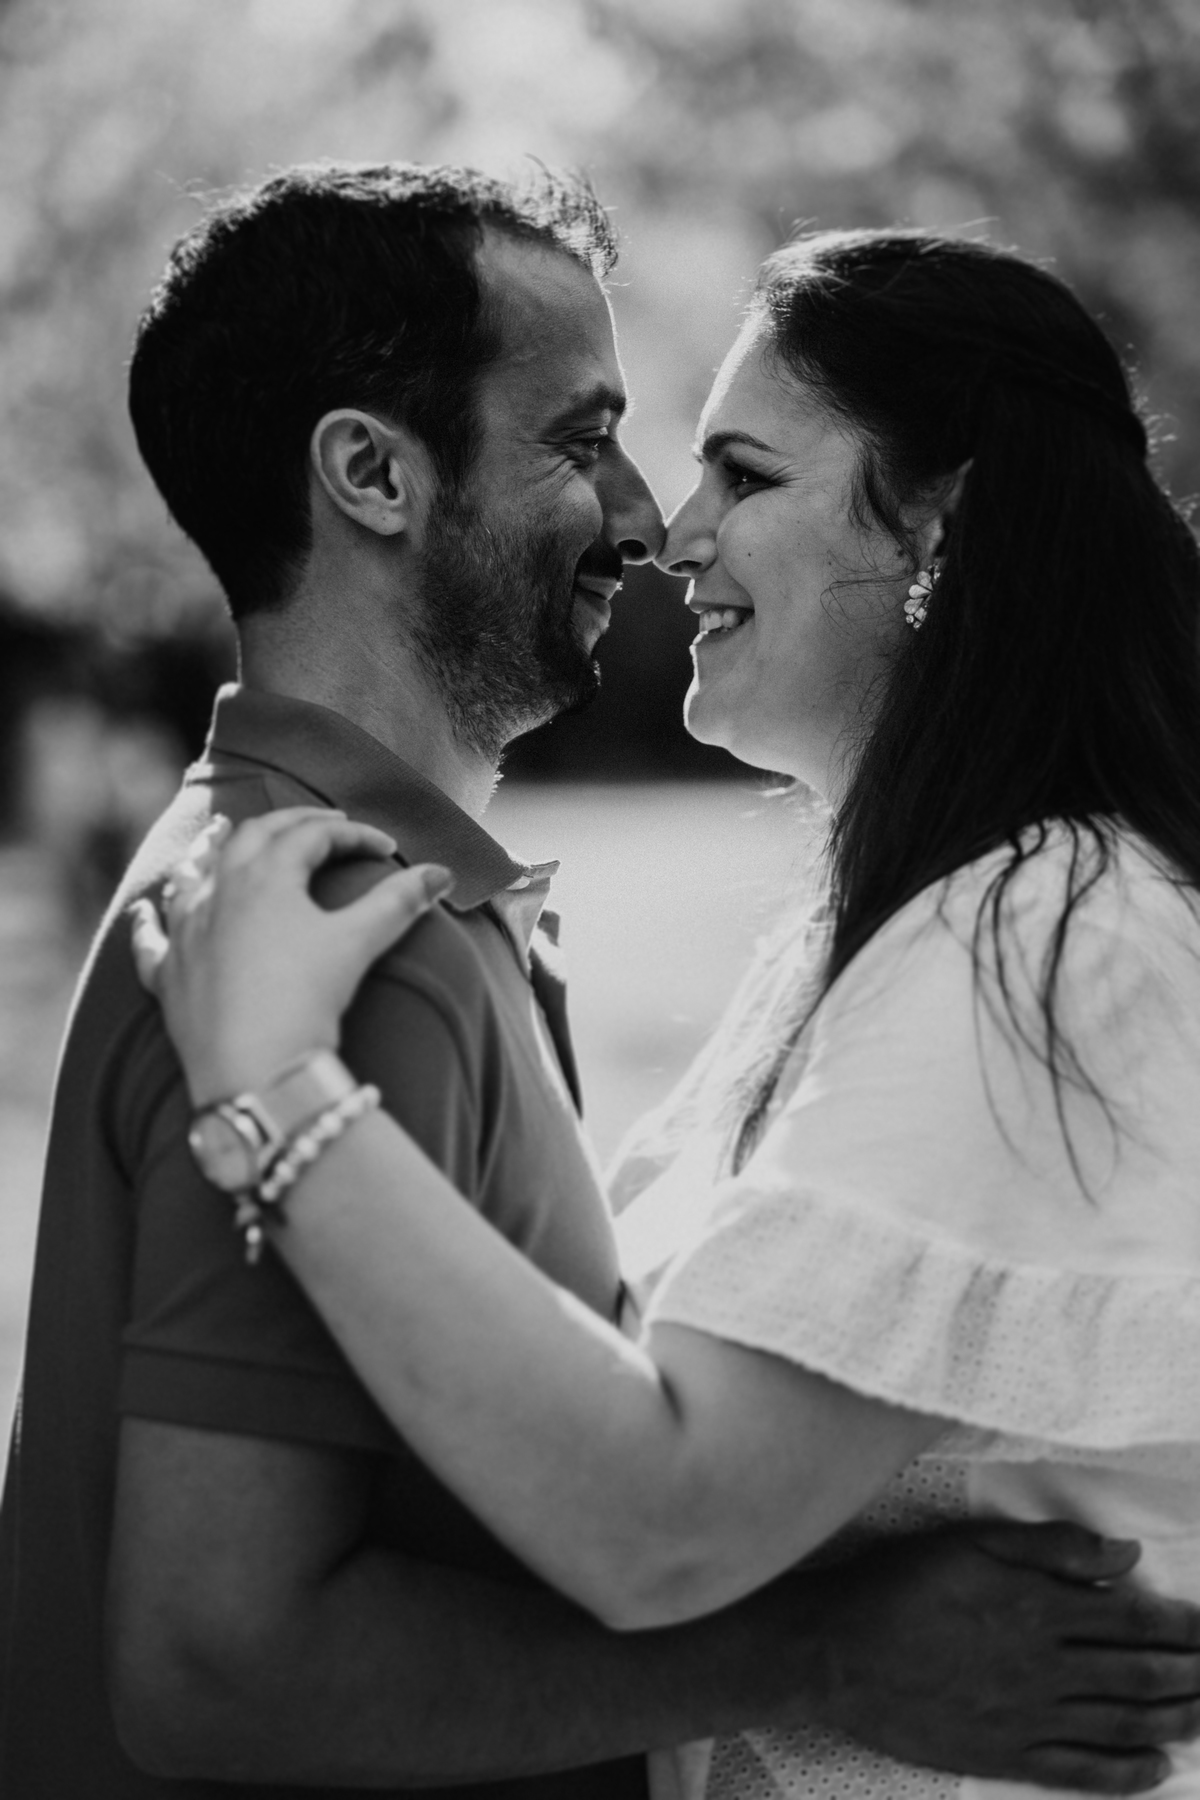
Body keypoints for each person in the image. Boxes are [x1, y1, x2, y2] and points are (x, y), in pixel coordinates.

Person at [0, 163, 1193, 1798]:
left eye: (738, 472)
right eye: (585, 442)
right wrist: (829, 1654)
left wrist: (276, 1094)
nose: (654, 525)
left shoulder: (1039, 938)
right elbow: (223, 1656)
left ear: (939, 527)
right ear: (370, 474)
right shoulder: (330, 928)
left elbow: (658, 1501)